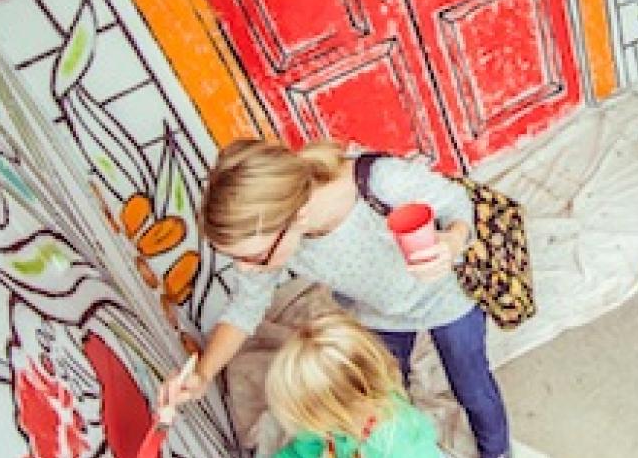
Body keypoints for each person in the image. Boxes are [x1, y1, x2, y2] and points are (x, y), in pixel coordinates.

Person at [158, 139, 510, 458]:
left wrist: (451, 241)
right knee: (380, 393)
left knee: (474, 391)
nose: (247, 271)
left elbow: (456, 203)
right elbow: (245, 308)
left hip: (446, 300)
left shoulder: (380, 182)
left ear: (298, 216)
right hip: (378, 314)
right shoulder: (278, 237)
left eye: (256, 258)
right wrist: (202, 374)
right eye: (236, 259)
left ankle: (498, 453)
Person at [265, 310, 442, 457]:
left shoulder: (400, 446)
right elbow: (301, 451)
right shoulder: (328, 424)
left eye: (310, 417)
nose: (308, 425)